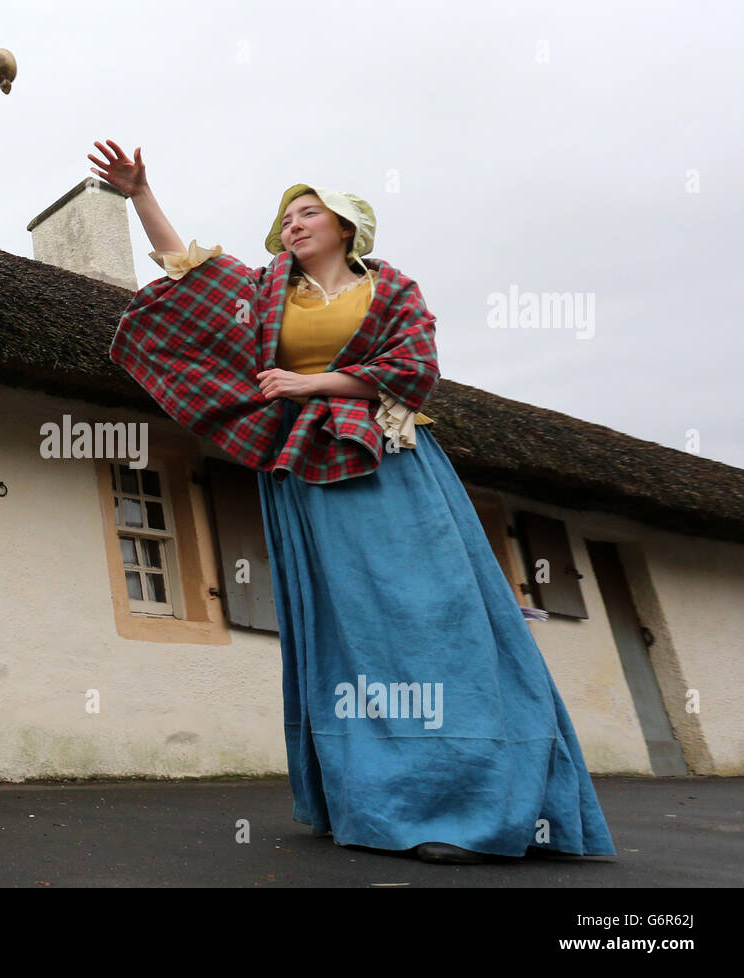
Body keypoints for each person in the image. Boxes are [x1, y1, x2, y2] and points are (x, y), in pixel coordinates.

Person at [93, 139, 616, 864]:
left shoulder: (392, 289)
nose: (294, 223)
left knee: (437, 619)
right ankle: (381, 800)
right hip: (305, 474)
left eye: (310, 212)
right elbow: (185, 270)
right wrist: (139, 193)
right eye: (288, 216)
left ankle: (475, 799)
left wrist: (312, 384)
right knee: (349, 630)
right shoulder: (267, 289)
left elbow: (414, 370)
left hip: (391, 463)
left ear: (346, 228)